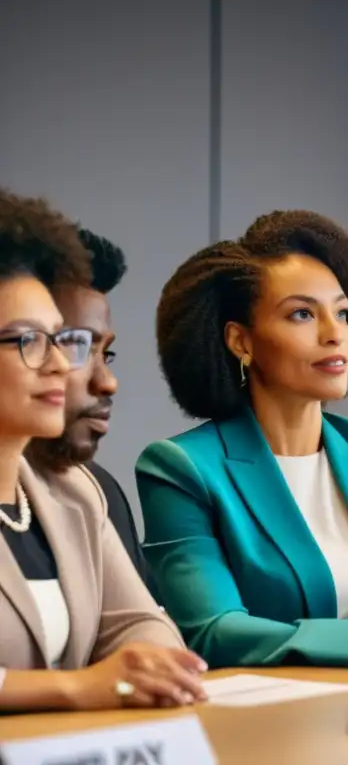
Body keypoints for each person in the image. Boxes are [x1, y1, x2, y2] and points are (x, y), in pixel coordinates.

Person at [135, 210, 348, 669]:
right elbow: (211, 628)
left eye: (341, 312)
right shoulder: (181, 468)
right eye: (302, 314)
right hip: (268, 720)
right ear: (241, 341)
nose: (335, 333)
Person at [0, 189, 204, 712]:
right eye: (28, 340)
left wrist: (153, 667)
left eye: (60, 340)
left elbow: (139, 624)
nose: (59, 365)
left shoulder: (73, 490)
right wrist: (76, 688)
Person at [25, 228, 149, 584]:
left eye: (104, 353)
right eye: (76, 346)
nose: (107, 382)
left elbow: (145, 624)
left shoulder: (95, 490)